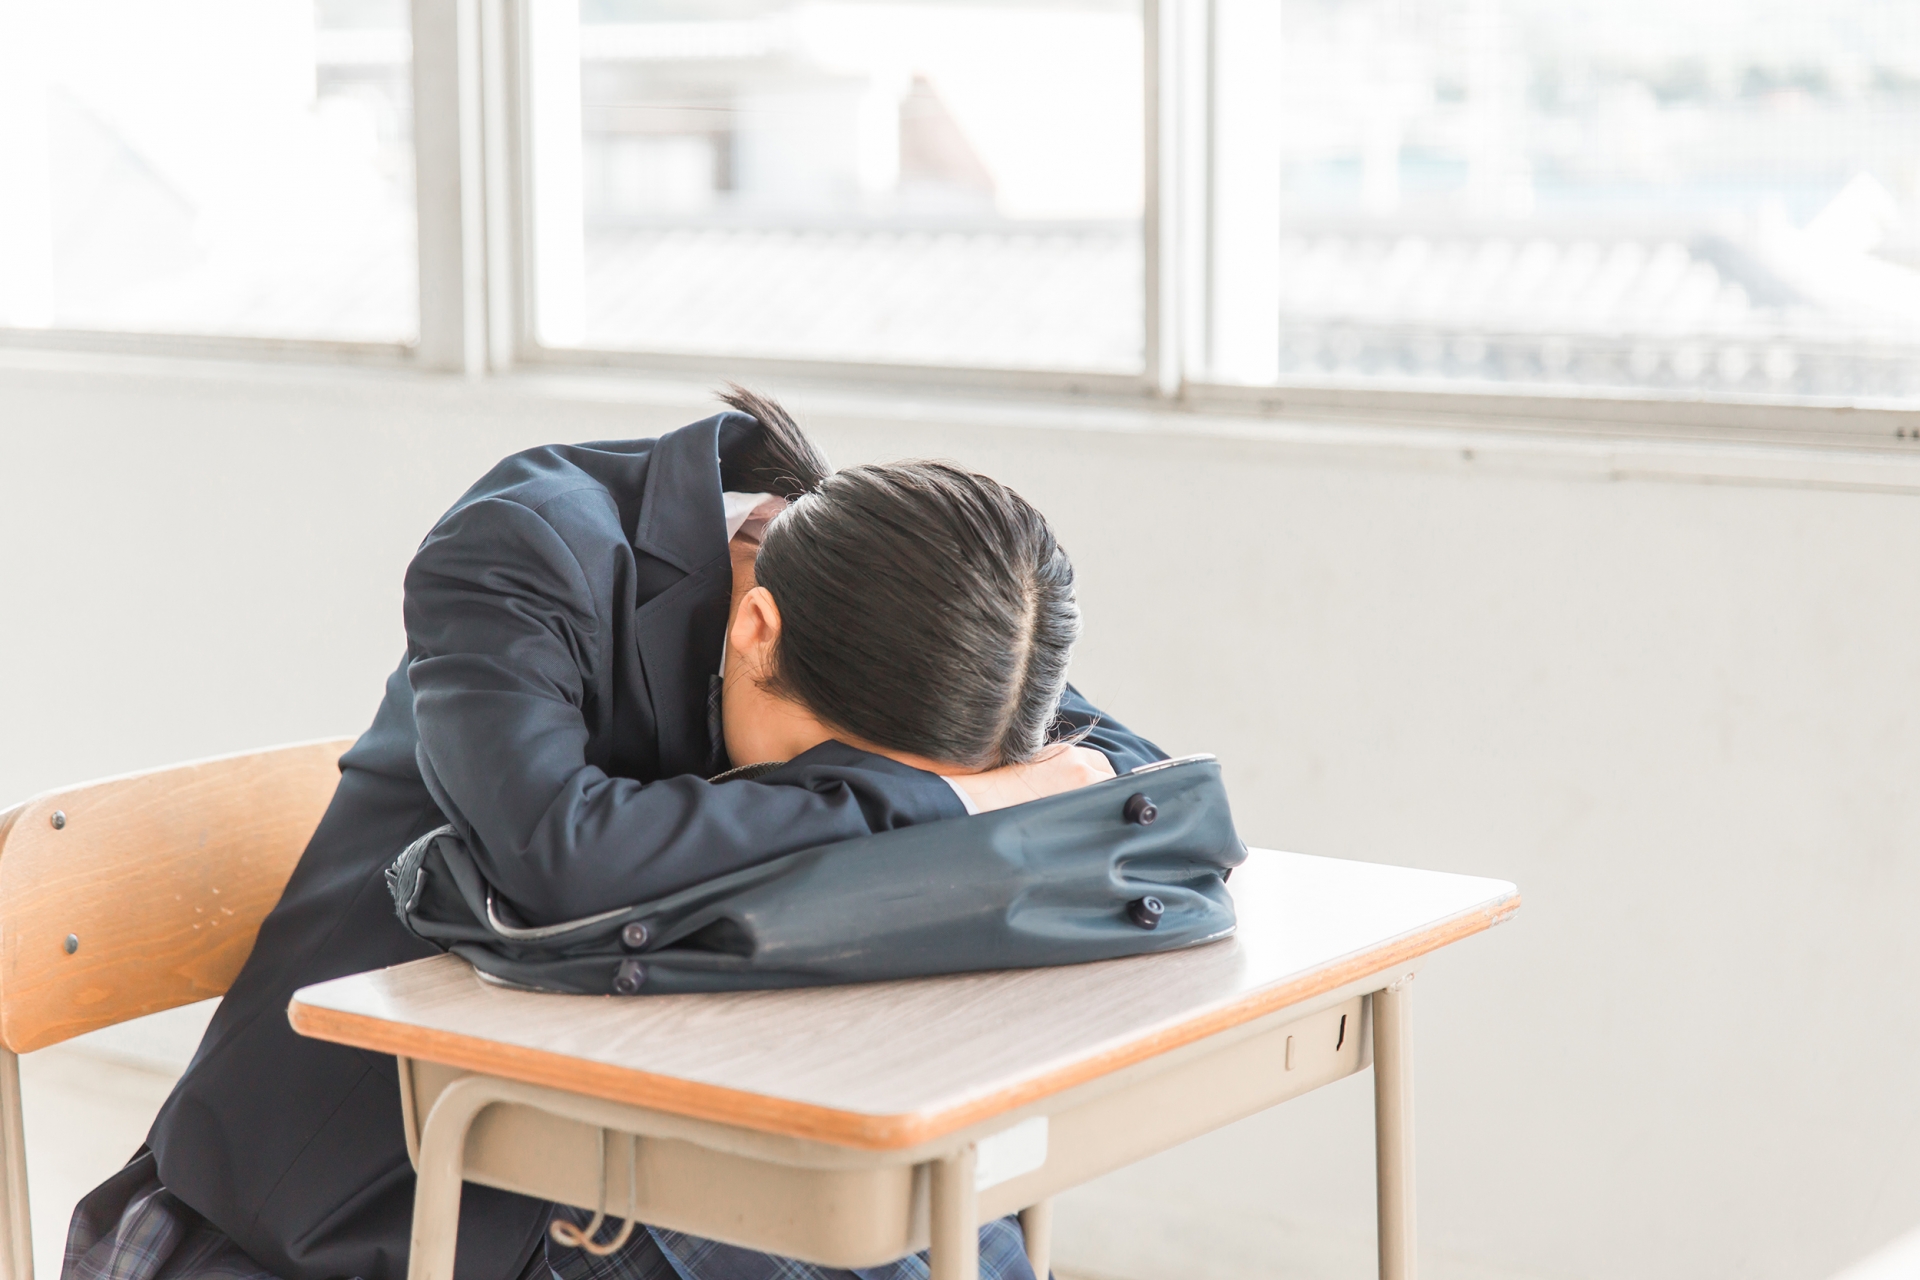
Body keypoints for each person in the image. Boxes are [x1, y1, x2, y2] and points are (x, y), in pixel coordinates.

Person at [65, 390, 1164, 1280]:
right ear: (755, 626)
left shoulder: (898, 605)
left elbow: (1152, 804)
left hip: (635, 1121)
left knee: (951, 1231)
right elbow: (559, 852)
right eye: (837, 775)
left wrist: (962, 785)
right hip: (369, 1180)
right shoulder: (528, 546)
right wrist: (953, 805)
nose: (850, 797)